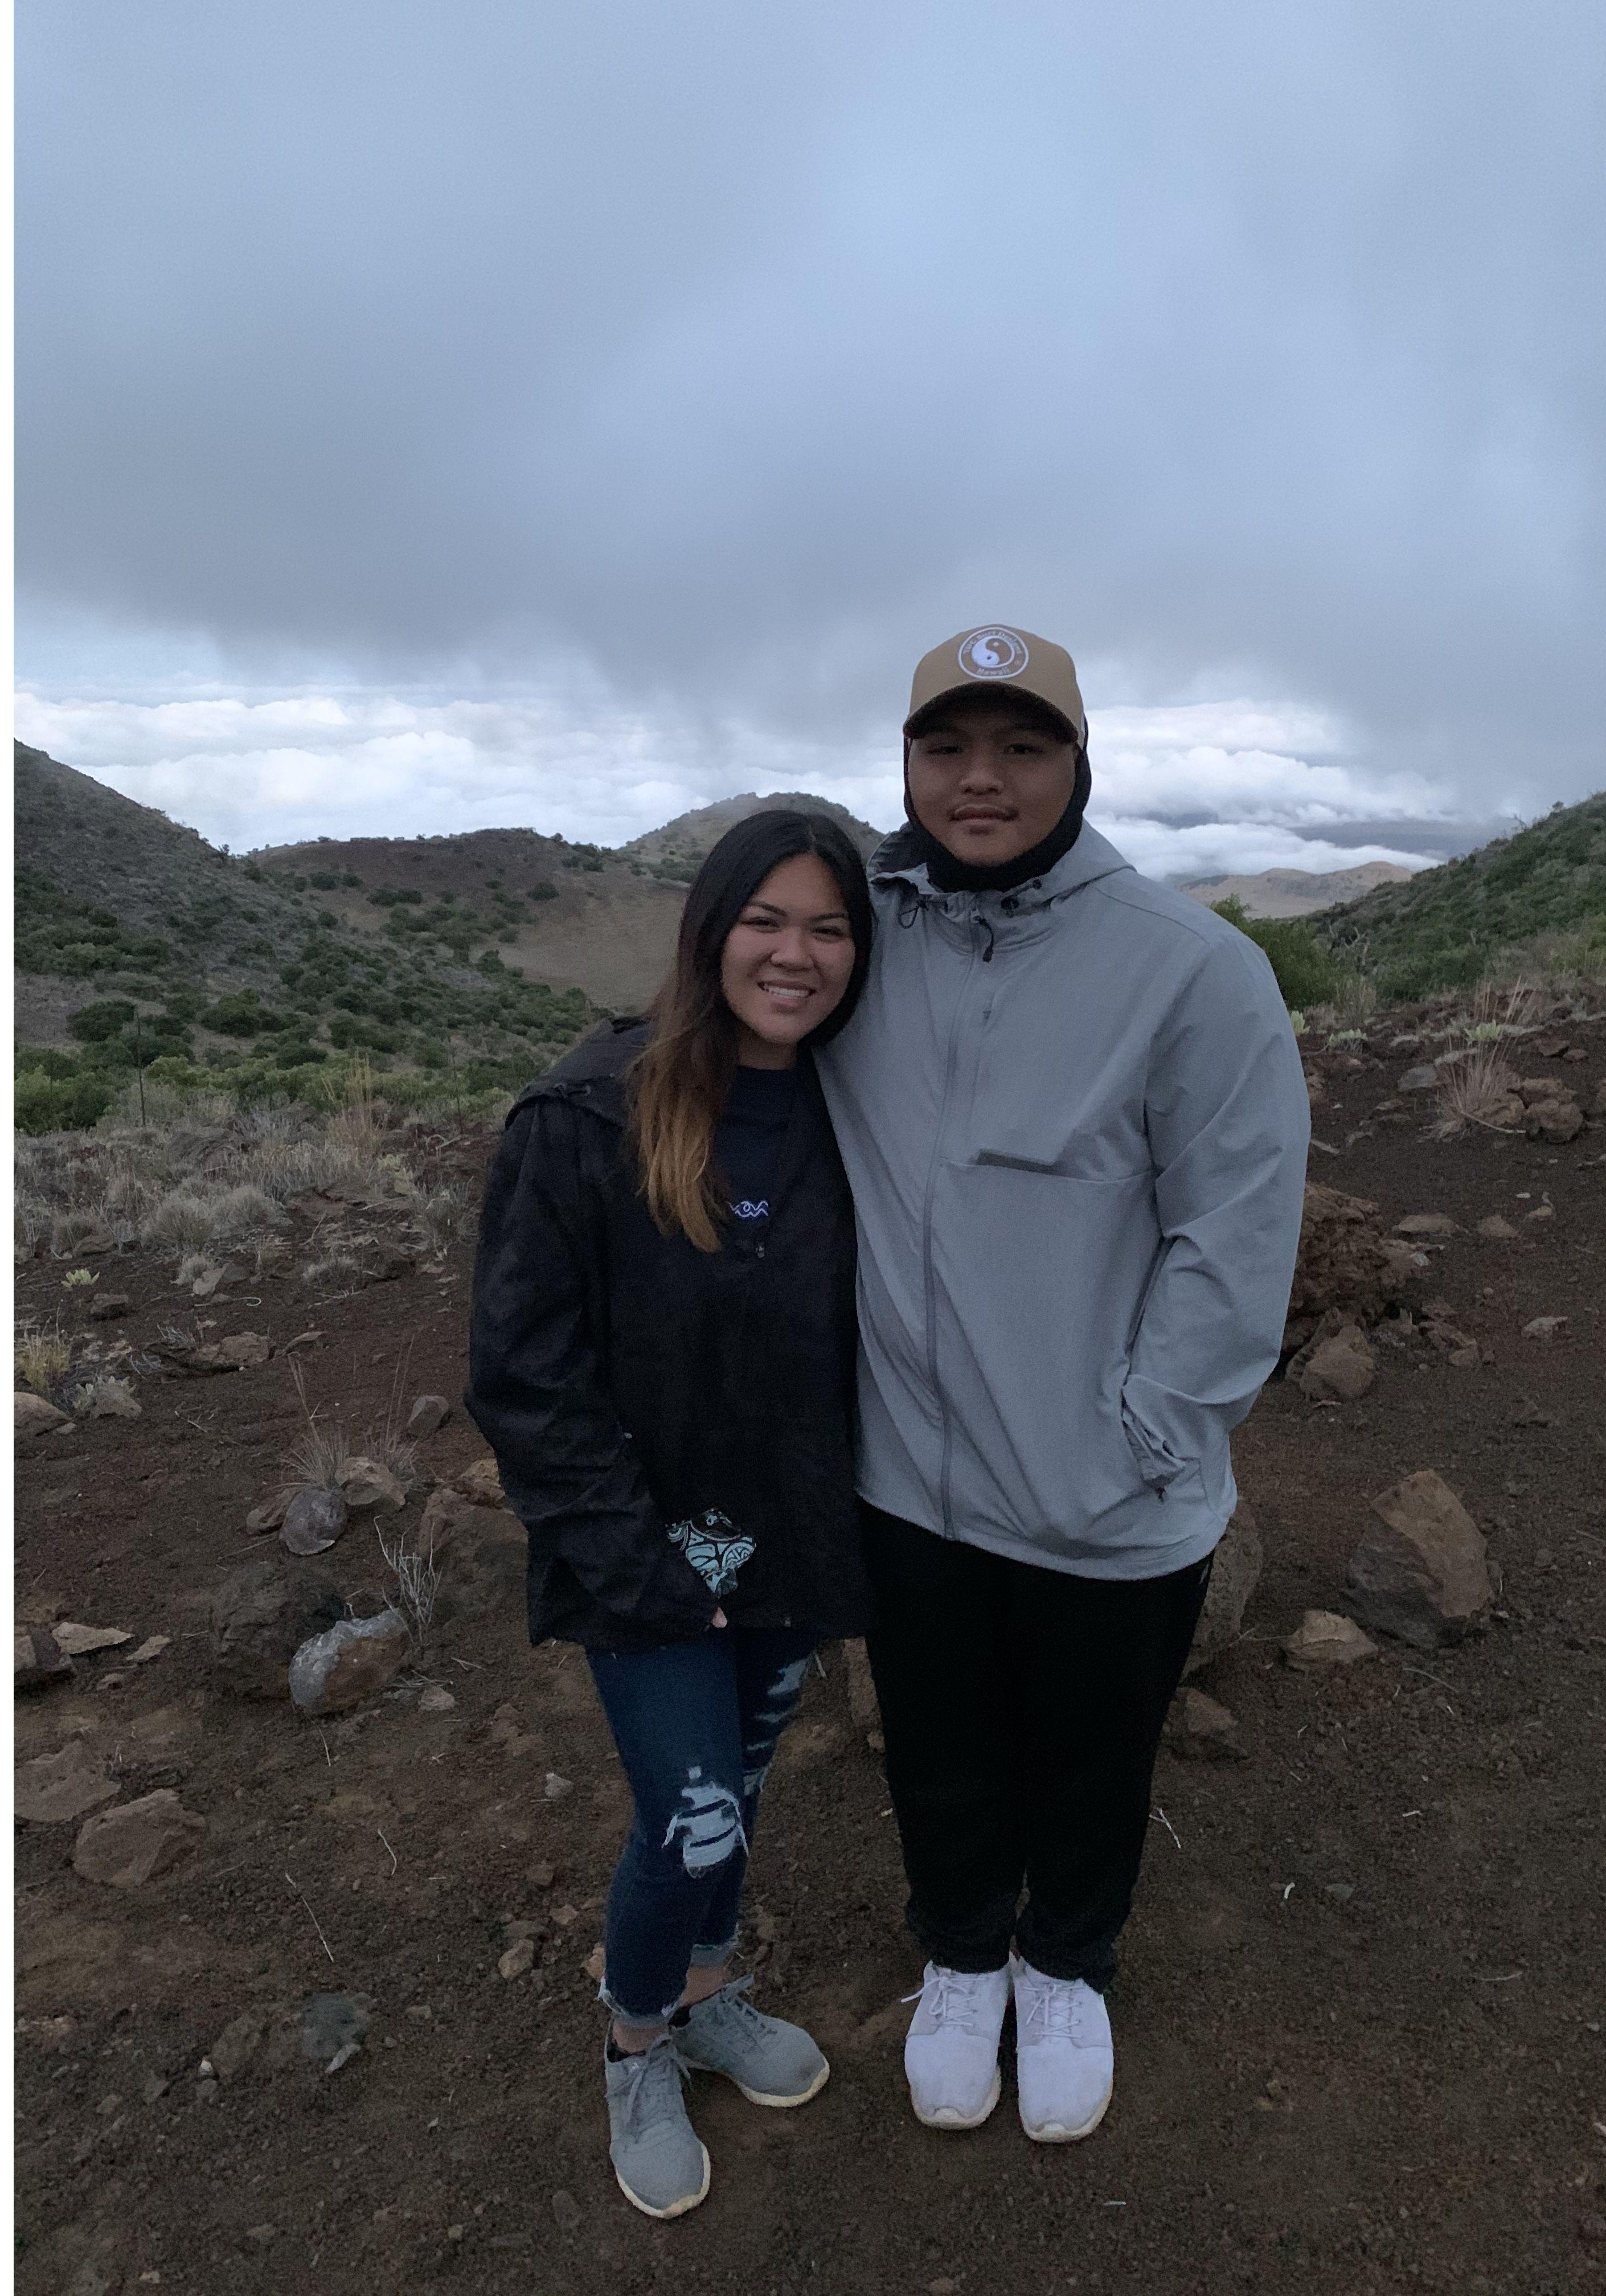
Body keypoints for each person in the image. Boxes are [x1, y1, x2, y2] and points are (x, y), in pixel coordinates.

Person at [816, 625, 1309, 2145]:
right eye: (947, 747)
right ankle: (963, 1952)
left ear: (1078, 766)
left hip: (1108, 1489)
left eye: (1021, 748)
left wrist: (1138, 1444)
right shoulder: (853, 940)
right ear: (903, 765)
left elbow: (1235, 1240)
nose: (981, 779)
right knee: (940, 1741)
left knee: (1094, 1754)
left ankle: (1067, 1957)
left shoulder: (1190, 970)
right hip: (907, 1479)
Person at [464, 809, 875, 2220]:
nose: (797, 954)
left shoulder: (856, 1114)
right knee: (690, 1815)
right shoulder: (585, 1117)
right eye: (769, 920)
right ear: (710, 929)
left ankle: (706, 1993)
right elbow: (523, 1376)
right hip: (644, 1551)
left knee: (740, 1794)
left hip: (798, 1533)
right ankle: (636, 2041)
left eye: (830, 928)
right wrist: (636, 1561)